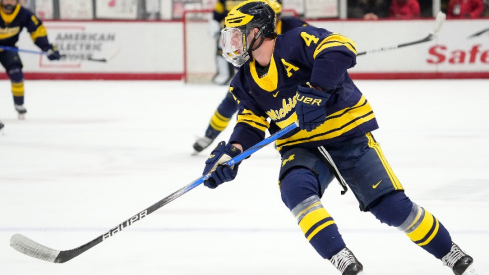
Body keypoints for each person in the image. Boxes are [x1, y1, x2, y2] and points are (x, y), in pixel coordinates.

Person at [201, 1, 478, 274]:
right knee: (295, 189)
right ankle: (342, 259)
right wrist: (231, 153)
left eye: (238, 34)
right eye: (230, 36)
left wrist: (318, 90)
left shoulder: (296, 41)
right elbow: (250, 122)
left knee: (390, 208)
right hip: (301, 144)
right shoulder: (244, 79)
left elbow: (341, 46)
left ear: (258, 31)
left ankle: (450, 253)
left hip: (348, 134)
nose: (232, 42)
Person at [193, 0, 308, 153]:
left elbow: (311, 46)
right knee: (230, 102)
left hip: (288, 77)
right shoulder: (247, 28)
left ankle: (287, 136)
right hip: (258, 77)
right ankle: (209, 135)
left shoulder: (292, 25)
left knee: (290, 104)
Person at [0, 0, 61, 120]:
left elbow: (37, 31)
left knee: (16, 73)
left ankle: (19, 104)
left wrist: (46, 47)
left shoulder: (24, 14)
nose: (9, 2)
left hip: (8, 48)